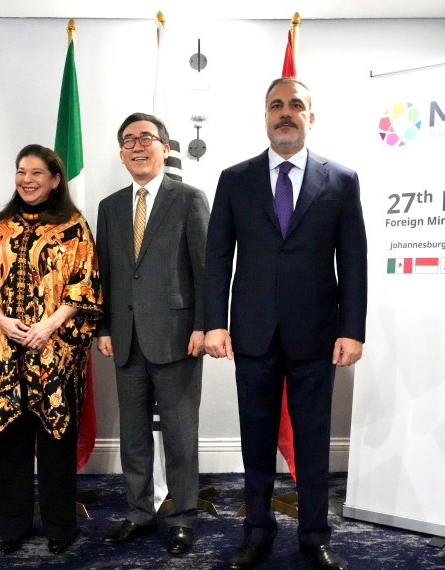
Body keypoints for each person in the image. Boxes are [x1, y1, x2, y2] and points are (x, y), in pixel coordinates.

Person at [204, 78, 366, 570]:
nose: (286, 112)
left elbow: (354, 260)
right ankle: (256, 533)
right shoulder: (235, 179)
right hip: (251, 333)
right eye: (277, 105)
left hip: (318, 334)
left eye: (297, 105)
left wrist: (353, 328)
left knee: (314, 441)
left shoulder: (341, 179)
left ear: (311, 117)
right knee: (255, 442)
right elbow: (217, 258)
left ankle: (315, 535)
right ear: (265, 116)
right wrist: (214, 322)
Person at [0, 144, 101, 555]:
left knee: (55, 441)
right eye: (21, 171)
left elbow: (85, 286)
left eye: (36, 173)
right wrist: (1, 320)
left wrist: (48, 326)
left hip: (55, 352)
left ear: (55, 180)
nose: (27, 179)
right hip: (6, 351)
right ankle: (12, 526)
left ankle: (59, 527)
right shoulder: (0, 226)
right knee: (11, 441)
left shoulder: (74, 227)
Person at [95, 112, 209, 557]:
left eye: (147, 138)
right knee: (134, 434)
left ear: (165, 147)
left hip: (179, 336)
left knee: (181, 433)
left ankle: (182, 517)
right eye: (128, 140)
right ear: (121, 153)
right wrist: (103, 326)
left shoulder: (189, 199)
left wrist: (204, 325)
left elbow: (206, 271)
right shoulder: (109, 206)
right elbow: (104, 275)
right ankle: (139, 512)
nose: (138, 146)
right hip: (125, 338)